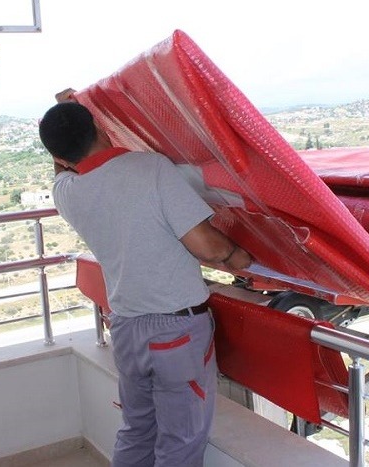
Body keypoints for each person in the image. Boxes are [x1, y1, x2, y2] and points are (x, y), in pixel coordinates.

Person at [39, 89, 252, 467]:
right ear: (100, 128)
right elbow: (207, 247)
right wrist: (239, 256)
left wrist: (61, 121)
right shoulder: (150, 168)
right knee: (181, 440)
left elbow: (62, 171)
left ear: (59, 157)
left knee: (137, 430)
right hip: (176, 331)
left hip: (126, 329)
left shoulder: (68, 193)